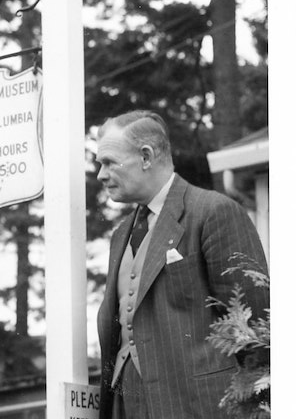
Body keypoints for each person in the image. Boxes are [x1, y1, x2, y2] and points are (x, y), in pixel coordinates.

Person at [94, 110, 269, 419]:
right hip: (128, 405)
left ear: (146, 156)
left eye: (108, 162)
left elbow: (256, 331)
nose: (101, 175)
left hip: (200, 408)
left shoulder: (213, 212)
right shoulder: (121, 235)